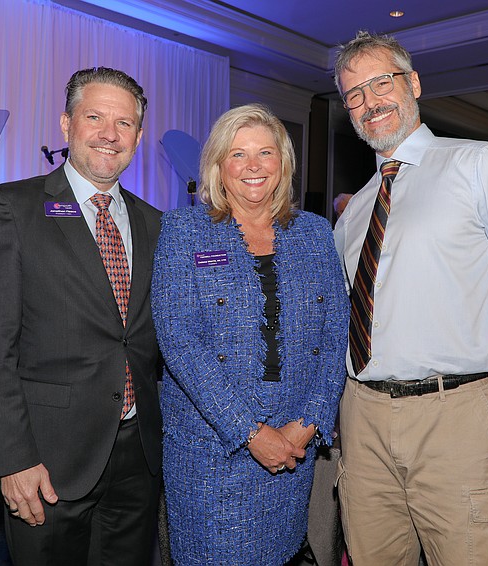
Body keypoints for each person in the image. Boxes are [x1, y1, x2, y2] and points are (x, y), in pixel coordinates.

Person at [332, 31, 488, 565]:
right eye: (354, 94)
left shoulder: (479, 164)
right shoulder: (355, 210)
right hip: (361, 420)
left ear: (413, 83)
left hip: (454, 416)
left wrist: (466, 352)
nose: (369, 101)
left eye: (380, 82)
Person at [0, 67, 162, 565]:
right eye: (94, 117)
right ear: (66, 124)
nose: (109, 134)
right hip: (47, 462)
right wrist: (12, 459)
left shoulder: (156, 224)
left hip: (137, 457)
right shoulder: (11, 207)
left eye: (124, 123)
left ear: (138, 137)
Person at [151, 103, 348, 565]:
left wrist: (308, 424)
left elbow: (337, 331)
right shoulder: (184, 231)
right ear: (218, 166)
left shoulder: (315, 233)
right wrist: (250, 432)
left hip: (292, 449)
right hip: (209, 454)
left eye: (265, 152)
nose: (253, 166)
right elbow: (179, 340)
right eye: (238, 154)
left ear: (284, 162)